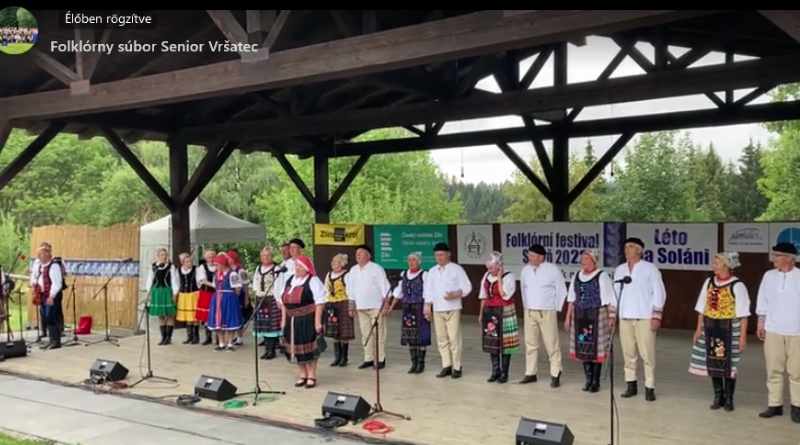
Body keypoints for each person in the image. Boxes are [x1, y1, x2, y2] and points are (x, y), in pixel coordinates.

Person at [689, 251, 750, 412]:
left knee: (730, 364)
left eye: (716, 263)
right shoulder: (709, 282)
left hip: (730, 328)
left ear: (726, 265)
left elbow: (743, 314)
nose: (713, 266)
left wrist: (742, 337)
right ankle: (718, 396)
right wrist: (698, 329)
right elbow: (701, 307)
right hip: (710, 327)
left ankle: (729, 398)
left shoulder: (737, 286)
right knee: (712, 360)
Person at [613, 237, 667, 402]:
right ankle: (631, 384)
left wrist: (656, 315)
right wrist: (612, 314)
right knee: (628, 353)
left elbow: (659, 292)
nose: (627, 250)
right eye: (625, 247)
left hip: (644, 316)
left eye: (630, 247)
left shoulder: (650, 268)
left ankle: (650, 387)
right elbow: (615, 292)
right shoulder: (620, 269)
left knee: (647, 354)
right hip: (625, 316)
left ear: (640, 250)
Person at [756, 242, 800, 422]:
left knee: (796, 371)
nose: (773, 258)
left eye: (777, 255)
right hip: (773, 328)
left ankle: (797, 406)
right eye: (773, 255)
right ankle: (775, 404)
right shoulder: (769, 276)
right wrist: (761, 323)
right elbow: (763, 299)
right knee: (773, 369)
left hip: (797, 330)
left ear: (789, 258)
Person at [565, 249, 616, 393]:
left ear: (594, 260)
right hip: (580, 315)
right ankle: (588, 379)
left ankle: (596, 381)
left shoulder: (602, 276)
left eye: (586, 259)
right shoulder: (577, 275)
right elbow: (571, 298)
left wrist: (611, 317)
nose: (583, 261)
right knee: (583, 347)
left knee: (596, 349)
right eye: (582, 259)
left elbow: (608, 298)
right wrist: (568, 316)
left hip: (597, 314)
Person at [519, 244, 567, 387]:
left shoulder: (552, 269)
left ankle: (555, 373)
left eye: (532, 255)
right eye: (529, 255)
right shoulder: (525, 270)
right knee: (530, 344)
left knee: (551, 343)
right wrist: (525, 306)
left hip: (546, 311)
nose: (529, 258)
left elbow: (561, 290)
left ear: (541, 257)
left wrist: (556, 308)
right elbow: (523, 289)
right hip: (529, 311)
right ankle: (530, 372)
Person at [424, 242, 472, 379]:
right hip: (438, 308)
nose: (439, 258)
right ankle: (446, 365)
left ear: (448, 254)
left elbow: (467, 287)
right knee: (441, 338)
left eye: (441, 255)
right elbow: (429, 290)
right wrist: (427, 306)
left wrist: (456, 294)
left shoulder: (456, 269)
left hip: (453, 308)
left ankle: (457, 366)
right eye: (437, 255)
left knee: (454, 338)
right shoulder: (432, 271)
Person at [278, 255, 326, 389]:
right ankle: (302, 374)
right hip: (290, 319)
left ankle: (311, 375)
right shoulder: (290, 280)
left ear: (306, 268)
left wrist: (317, 321)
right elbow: (283, 302)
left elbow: (320, 302)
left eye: (300, 266)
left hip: (307, 319)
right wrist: (283, 320)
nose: (297, 268)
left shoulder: (313, 281)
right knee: (295, 347)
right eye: (296, 266)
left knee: (309, 347)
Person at [346, 244, 391, 369]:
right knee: (365, 333)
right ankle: (368, 358)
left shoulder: (376, 268)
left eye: (361, 253)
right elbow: (351, 289)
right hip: (361, 306)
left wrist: (386, 304)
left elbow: (385, 286)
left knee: (378, 333)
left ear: (368, 255)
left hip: (376, 306)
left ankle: (380, 358)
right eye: (356, 254)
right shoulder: (353, 270)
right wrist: (351, 305)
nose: (358, 255)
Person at [386, 252, 431, 374]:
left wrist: (427, 308)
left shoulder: (424, 275)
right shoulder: (404, 274)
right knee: (410, 335)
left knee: (421, 336)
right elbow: (398, 292)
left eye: (413, 260)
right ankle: (413, 363)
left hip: (419, 306)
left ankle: (421, 363)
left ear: (419, 262)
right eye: (409, 260)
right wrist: (391, 307)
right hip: (408, 308)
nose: (411, 262)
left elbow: (428, 292)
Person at [478, 251, 518, 384]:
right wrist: (481, 313)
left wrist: (500, 277)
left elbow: (504, 294)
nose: (489, 270)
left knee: (505, 343)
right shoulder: (486, 276)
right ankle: (495, 370)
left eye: (492, 268)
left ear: (499, 266)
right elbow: (483, 295)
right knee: (492, 340)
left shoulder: (509, 276)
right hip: (490, 311)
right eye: (488, 267)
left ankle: (504, 373)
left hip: (504, 310)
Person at [207, 253, 244, 351]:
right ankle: (221, 343)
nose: (216, 266)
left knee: (229, 320)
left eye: (217, 264)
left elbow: (237, 288)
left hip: (229, 298)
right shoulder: (217, 274)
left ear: (222, 264)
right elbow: (215, 285)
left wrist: (232, 297)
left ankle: (230, 343)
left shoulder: (232, 274)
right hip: (218, 298)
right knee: (218, 321)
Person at [323, 253, 355, 367]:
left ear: (341, 263)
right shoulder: (328, 274)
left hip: (343, 303)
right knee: (334, 330)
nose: (333, 264)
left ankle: (344, 357)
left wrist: (351, 306)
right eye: (332, 261)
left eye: (336, 262)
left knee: (343, 332)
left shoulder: (347, 275)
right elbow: (325, 289)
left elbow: (351, 290)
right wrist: (325, 302)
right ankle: (337, 356)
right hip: (331, 304)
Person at [252, 246, 283, 359]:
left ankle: (272, 350)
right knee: (263, 325)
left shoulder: (276, 268)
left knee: (271, 326)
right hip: (260, 298)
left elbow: (280, 285)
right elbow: (255, 281)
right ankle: (266, 349)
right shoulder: (258, 268)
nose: (266, 257)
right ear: (261, 257)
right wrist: (256, 293)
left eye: (268, 255)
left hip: (272, 299)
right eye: (264, 255)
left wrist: (279, 299)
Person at [145, 247, 179, 346]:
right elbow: (150, 279)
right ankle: (163, 337)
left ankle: (169, 337)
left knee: (169, 314)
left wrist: (175, 293)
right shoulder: (153, 267)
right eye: (162, 255)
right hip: (156, 291)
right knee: (160, 314)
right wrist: (149, 292)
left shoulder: (170, 266)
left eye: (165, 255)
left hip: (167, 291)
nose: (164, 257)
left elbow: (174, 280)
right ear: (158, 256)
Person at [35, 243, 64, 350]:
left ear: (47, 254)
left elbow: (57, 283)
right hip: (42, 295)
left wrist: (51, 296)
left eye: (40, 254)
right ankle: (52, 340)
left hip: (50, 295)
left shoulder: (54, 266)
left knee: (52, 316)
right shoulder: (41, 267)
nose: (38, 256)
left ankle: (56, 341)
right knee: (46, 316)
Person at [176, 253, 202, 344]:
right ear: (182, 263)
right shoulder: (178, 270)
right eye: (186, 262)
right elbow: (178, 283)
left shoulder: (196, 269)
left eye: (190, 261)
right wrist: (176, 294)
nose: (189, 263)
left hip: (194, 294)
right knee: (188, 317)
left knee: (195, 316)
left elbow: (199, 282)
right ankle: (189, 336)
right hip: (184, 295)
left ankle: (196, 336)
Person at [227, 251, 250, 346]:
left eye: (229, 258)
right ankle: (233, 336)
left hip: (240, 295)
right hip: (230, 296)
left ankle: (239, 337)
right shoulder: (227, 270)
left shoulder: (240, 270)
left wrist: (246, 298)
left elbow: (246, 284)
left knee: (239, 316)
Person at [195, 250, 216, 345]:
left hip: (216, 293)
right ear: (205, 258)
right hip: (206, 293)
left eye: (212, 257)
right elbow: (203, 280)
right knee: (207, 315)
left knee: (217, 314)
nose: (211, 259)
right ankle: (208, 337)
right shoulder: (202, 267)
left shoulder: (218, 266)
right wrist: (214, 284)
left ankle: (218, 337)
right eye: (209, 257)